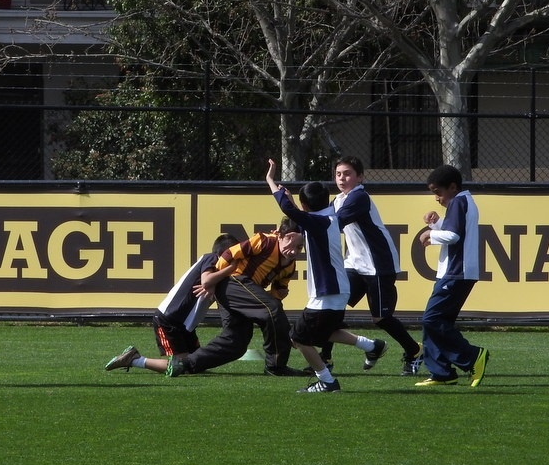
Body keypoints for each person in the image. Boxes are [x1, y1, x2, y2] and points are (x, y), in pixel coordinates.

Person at [265, 159, 388, 392]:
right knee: (327, 332)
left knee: (298, 338)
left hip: (327, 292)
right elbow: (298, 215)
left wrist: (271, 181)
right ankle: (372, 346)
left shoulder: (317, 221)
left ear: (305, 205)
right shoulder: (329, 216)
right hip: (337, 291)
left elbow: (288, 210)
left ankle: (327, 380)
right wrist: (292, 201)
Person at [318, 156, 423, 376]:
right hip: (354, 264)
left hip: (378, 265)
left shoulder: (359, 197)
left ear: (360, 177)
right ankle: (324, 359)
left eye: (347, 173)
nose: (341, 178)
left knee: (381, 318)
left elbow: (331, 223)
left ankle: (414, 351)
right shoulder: (337, 200)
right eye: (338, 174)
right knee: (331, 309)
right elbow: (322, 220)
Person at [167, 218, 307, 377]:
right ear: (280, 235)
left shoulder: (290, 265)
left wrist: (278, 294)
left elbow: (279, 289)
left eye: (299, 247)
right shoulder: (264, 241)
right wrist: (214, 281)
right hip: (234, 282)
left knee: (235, 343)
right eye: (289, 241)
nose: (294, 251)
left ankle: (184, 363)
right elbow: (229, 253)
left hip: (243, 292)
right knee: (273, 310)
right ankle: (275, 366)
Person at [103, 233, 240, 374]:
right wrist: (229, 269)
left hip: (184, 324)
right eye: (235, 253)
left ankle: (135, 358)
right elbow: (206, 280)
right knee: (181, 367)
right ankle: (134, 359)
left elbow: (209, 282)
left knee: (196, 364)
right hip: (169, 320)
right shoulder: (211, 258)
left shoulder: (219, 272)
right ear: (225, 253)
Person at [415, 164, 489, 387]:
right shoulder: (462, 201)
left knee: (432, 319)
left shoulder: (459, 201)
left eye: (438, 192)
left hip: (457, 272)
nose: (436, 198)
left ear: (453, 187)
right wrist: (436, 223)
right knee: (436, 321)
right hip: (456, 272)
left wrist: (430, 233)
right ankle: (442, 373)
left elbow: (454, 235)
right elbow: (455, 231)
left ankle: (472, 356)